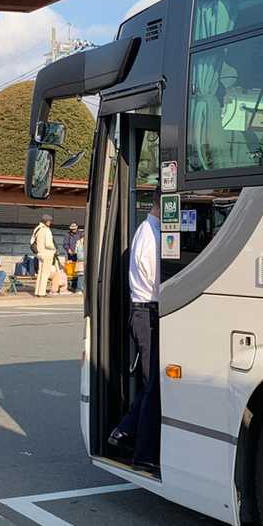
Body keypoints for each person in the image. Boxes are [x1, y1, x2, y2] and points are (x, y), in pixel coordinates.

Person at [108, 195, 160, 469]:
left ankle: (125, 431)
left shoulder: (147, 229)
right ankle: (144, 455)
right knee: (154, 385)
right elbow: (157, 280)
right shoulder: (152, 236)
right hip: (147, 312)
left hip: (144, 312)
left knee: (153, 382)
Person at [32, 214, 56, 297]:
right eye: (49, 221)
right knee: (45, 274)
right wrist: (54, 248)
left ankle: (37, 291)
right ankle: (42, 292)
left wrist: (37, 252)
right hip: (47, 253)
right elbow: (48, 244)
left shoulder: (37, 229)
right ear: (46, 221)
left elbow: (32, 241)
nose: (50, 223)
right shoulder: (46, 230)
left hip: (39, 253)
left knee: (40, 273)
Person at [72, 230, 86, 294]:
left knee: (80, 275)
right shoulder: (86, 241)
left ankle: (79, 289)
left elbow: (75, 251)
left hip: (79, 261)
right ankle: (80, 289)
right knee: (82, 276)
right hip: (83, 260)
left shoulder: (78, 242)